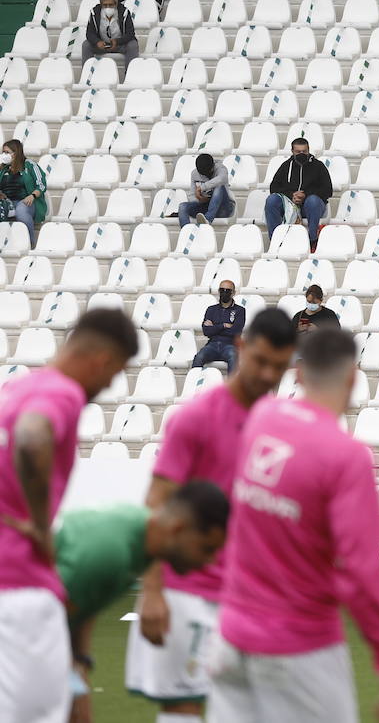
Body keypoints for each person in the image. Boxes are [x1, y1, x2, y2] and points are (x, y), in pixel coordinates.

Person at [211, 328, 379, 721]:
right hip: (300, 646)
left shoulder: (261, 417)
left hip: (230, 634)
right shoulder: (348, 457)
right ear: (353, 376)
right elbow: (360, 568)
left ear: (298, 374)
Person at [125, 309, 296, 720]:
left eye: (278, 366)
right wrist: (151, 591)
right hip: (186, 591)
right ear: (241, 348)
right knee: (182, 709)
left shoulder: (279, 427)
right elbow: (157, 502)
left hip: (246, 597)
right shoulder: (196, 418)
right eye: (260, 361)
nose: (266, 373)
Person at [0, 308, 138, 723]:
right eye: (115, 373)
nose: (109, 384)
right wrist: (41, 525)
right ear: (103, 360)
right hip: (21, 585)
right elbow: (32, 437)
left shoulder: (16, 388)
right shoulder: (63, 393)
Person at [67, 482, 230, 722]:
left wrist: (80, 664)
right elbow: (54, 622)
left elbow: (82, 609)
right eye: (206, 549)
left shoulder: (137, 544)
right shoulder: (113, 550)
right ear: (177, 529)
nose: (210, 562)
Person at [265, 137, 333, 247]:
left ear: (308, 150)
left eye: (304, 151)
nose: (301, 154)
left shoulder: (318, 166)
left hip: (310, 207)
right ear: (292, 151)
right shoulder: (286, 166)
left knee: (313, 201)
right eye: (298, 152)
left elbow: (328, 190)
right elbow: (274, 187)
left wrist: (305, 195)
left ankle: (312, 240)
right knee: (272, 200)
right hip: (290, 206)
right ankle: (275, 241)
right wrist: (291, 195)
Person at [0, 138, 48, 246]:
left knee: (21, 210)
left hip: (27, 201)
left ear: (16, 153)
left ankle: (30, 244)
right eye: (3, 152)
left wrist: (32, 196)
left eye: (7, 152)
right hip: (7, 203)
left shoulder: (29, 165)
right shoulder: (3, 168)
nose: (4, 155)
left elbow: (41, 184)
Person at [193, 279, 246, 372]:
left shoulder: (240, 310)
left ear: (233, 293)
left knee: (233, 356)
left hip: (230, 345)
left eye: (227, 291)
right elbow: (206, 331)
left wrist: (214, 327)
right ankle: (193, 384)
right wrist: (223, 325)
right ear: (218, 291)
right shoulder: (211, 309)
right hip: (212, 345)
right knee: (199, 356)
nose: (224, 293)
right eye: (222, 290)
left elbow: (236, 332)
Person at [82, 0, 139, 66]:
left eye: (111, 5)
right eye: (105, 5)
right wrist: (97, 42)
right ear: (101, 4)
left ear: (116, 4)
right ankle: (87, 72)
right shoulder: (94, 13)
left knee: (133, 45)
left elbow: (130, 33)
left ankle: (130, 73)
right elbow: (89, 33)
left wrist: (118, 41)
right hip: (102, 45)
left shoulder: (124, 12)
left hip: (120, 44)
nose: (108, 7)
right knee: (86, 45)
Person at [178, 152, 235, 227]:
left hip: (223, 208)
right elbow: (192, 195)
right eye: (203, 175)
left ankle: (207, 220)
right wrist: (199, 199)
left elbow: (221, 179)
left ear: (213, 166)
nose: (206, 175)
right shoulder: (194, 174)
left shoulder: (221, 168)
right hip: (204, 207)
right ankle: (186, 232)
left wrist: (202, 187)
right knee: (182, 206)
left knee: (219, 187)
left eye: (209, 172)